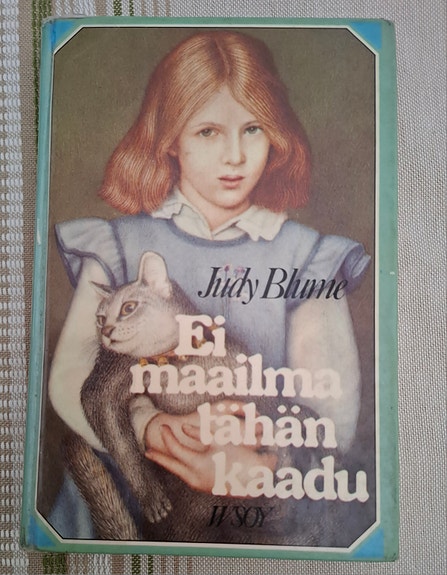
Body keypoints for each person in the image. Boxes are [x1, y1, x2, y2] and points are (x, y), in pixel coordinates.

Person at [48, 30, 370, 542]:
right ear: (169, 138)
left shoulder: (308, 258)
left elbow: (334, 415)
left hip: (255, 504)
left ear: (277, 136)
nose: (235, 156)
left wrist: (266, 461)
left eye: (253, 129)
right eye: (208, 132)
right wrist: (148, 427)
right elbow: (70, 380)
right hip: (127, 499)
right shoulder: (118, 246)